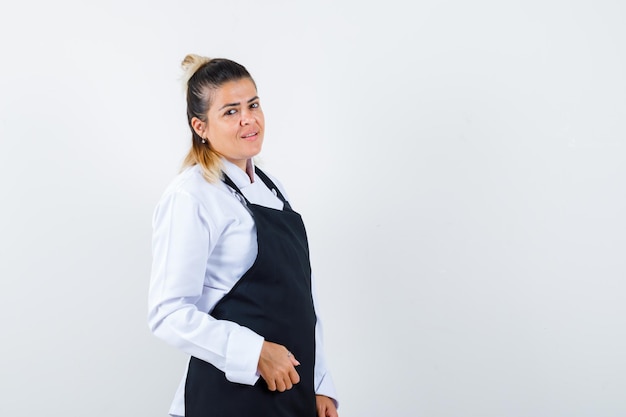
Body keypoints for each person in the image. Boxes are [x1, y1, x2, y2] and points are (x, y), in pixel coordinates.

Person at [148, 54, 339, 417]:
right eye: (230, 111)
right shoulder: (191, 195)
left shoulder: (272, 189)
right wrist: (254, 353)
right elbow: (167, 313)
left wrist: (319, 384)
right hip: (230, 398)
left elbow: (300, 299)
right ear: (200, 127)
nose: (248, 118)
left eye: (253, 104)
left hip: (291, 393)